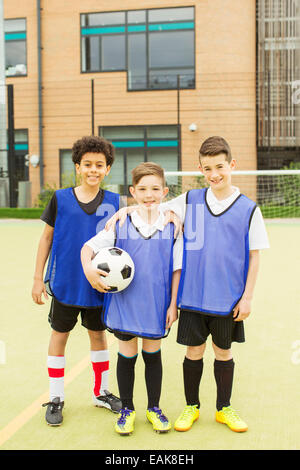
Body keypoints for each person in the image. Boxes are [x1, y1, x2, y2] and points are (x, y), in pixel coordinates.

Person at [106, 136, 270, 433]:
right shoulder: (189, 200)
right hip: (193, 298)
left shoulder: (249, 209)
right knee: (193, 353)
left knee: (223, 353)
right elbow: (150, 205)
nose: (214, 174)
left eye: (219, 166)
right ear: (200, 169)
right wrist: (124, 211)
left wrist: (247, 297)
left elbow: (254, 257)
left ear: (231, 165)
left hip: (228, 299)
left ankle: (224, 409)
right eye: (207, 168)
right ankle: (191, 407)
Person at [81, 162, 183, 435]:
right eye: (142, 189)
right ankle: (127, 409)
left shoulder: (172, 224)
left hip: (156, 304)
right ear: (132, 191)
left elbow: (176, 268)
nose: (149, 194)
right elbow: (88, 248)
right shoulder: (121, 221)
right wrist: (90, 272)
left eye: (155, 189)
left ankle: (154, 408)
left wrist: (173, 304)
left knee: (153, 355)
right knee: (127, 355)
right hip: (126, 303)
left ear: (165, 191)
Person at [31, 135, 122, 426]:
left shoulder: (115, 202)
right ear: (77, 167)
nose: (93, 170)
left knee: (98, 336)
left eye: (99, 165)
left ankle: (101, 392)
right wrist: (37, 278)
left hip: (98, 285)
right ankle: (56, 396)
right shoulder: (60, 198)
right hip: (66, 284)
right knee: (60, 336)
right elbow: (46, 238)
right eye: (87, 164)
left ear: (108, 169)